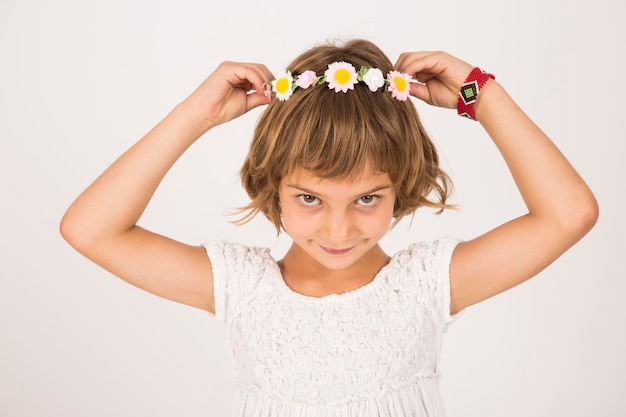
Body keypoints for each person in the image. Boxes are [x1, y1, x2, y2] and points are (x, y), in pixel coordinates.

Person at [60, 39, 598, 416]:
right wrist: (198, 114)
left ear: (400, 185)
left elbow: (568, 213)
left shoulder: (426, 284)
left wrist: (479, 94)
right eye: (310, 198)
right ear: (273, 184)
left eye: (367, 197)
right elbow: (89, 229)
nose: (338, 228)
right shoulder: (242, 287)